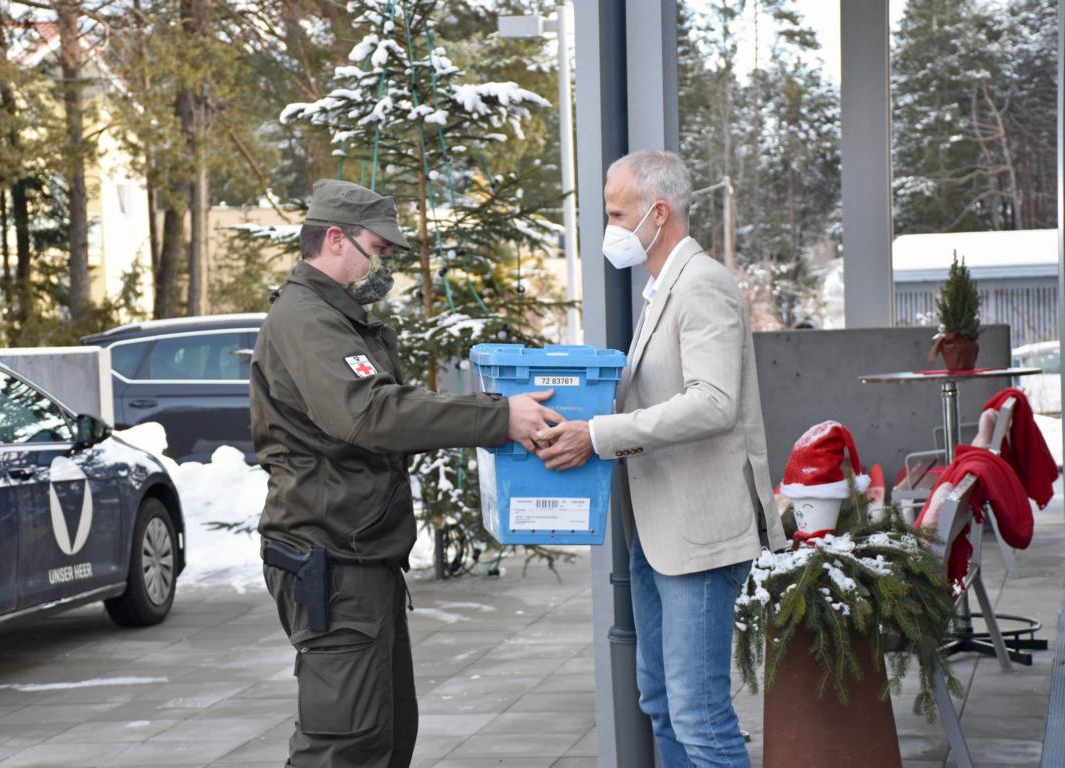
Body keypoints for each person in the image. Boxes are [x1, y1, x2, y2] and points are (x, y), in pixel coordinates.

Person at [250, 178, 562, 768]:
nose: (386, 264)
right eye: (379, 248)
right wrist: (498, 418)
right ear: (335, 239)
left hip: (356, 553)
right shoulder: (308, 319)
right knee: (344, 745)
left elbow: (379, 414)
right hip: (332, 557)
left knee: (385, 734)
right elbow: (370, 413)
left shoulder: (336, 317)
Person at [535, 150, 786, 767]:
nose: (610, 228)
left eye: (617, 214)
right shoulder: (662, 287)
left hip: (697, 537)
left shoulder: (701, 284)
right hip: (657, 532)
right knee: (663, 703)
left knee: (700, 716)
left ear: (659, 213)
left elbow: (713, 403)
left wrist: (599, 434)